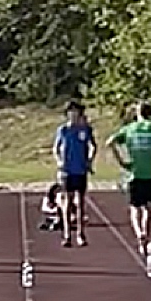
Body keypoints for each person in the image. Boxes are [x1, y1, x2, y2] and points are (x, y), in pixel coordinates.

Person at [107, 101, 151, 258]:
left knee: (134, 208)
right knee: (147, 208)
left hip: (135, 173)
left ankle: (139, 234)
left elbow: (110, 142)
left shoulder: (129, 129)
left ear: (137, 113)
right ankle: (146, 234)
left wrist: (121, 161)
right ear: (150, 114)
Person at [53, 100, 95, 248]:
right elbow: (56, 148)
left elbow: (93, 146)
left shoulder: (85, 129)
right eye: (71, 112)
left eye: (76, 111)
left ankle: (80, 234)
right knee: (68, 201)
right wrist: (59, 161)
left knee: (80, 203)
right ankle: (67, 234)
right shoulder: (63, 130)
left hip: (80, 170)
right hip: (67, 170)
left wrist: (89, 161)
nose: (73, 114)